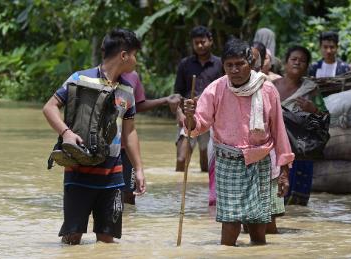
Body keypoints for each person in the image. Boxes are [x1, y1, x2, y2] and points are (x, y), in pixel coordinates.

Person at [182, 38, 294, 246]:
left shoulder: (267, 90)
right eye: (229, 65)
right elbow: (198, 125)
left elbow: (279, 131)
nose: (234, 70)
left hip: (260, 160)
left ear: (250, 63)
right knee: (230, 222)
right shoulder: (215, 89)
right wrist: (189, 116)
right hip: (228, 161)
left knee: (259, 226)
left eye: (239, 64)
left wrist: (284, 171)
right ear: (223, 66)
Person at [42, 28, 146, 245]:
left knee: (107, 240)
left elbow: (130, 132)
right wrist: (67, 133)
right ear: (124, 55)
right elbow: (50, 108)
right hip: (79, 171)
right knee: (72, 238)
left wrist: (139, 169)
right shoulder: (79, 78)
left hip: (114, 175)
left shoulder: (127, 90)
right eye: (135, 55)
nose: (136, 61)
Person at [273, 45, 327, 207]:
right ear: (285, 63)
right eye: (294, 59)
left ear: (307, 66)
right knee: (274, 197)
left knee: (297, 204)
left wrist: (313, 109)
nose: (297, 63)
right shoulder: (272, 87)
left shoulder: (311, 90)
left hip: (300, 149)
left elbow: (324, 118)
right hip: (276, 148)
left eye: (302, 61)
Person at [121, 71, 180, 205]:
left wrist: (165, 100)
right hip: (105, 147)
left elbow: (138, 105)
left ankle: (129, 224)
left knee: (129, 194)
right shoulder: (97, 76)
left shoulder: (133, 76)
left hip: (126, 147)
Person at [174, 25, 223, 172]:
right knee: (181, 159)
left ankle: (201, 194)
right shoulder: (185, 64)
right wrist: (179, 113)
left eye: (203, 42)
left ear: (210, 41)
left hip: (211, 117)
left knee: (205, 164)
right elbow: (178, 93)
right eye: (196, 43)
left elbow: (224, 91)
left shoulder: (220, 64)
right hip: (189, 115)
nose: (200, 46)